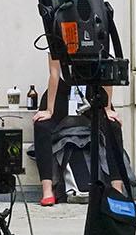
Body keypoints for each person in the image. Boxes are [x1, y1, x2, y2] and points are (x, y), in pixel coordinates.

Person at [31, 52, 124, 206]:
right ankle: (47, 189)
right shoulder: (57, 37)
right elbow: (54, 73)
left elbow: (108, 73)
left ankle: (117, 188)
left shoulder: (98, 35)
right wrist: (49, 110)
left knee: (112, 126)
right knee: (42, 126)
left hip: (91, 90)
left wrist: (107, 108)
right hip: (62, 92)